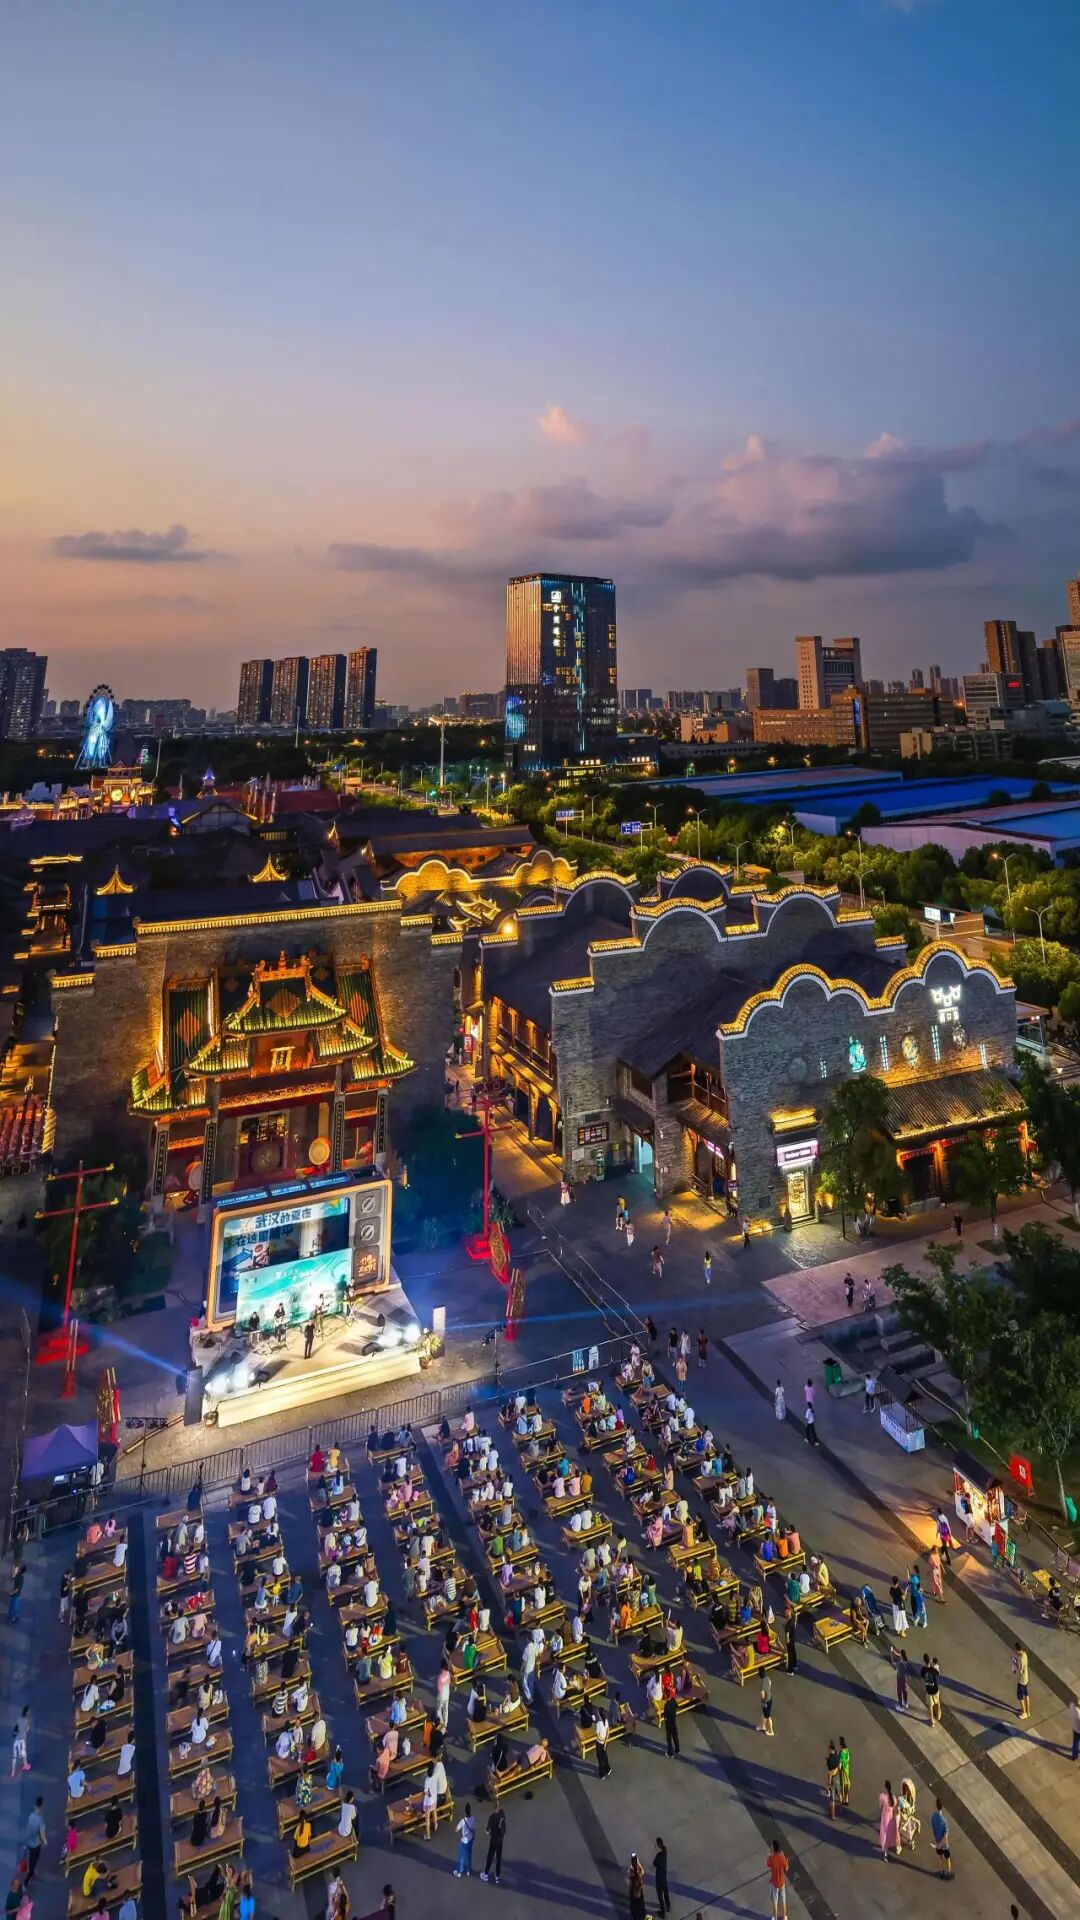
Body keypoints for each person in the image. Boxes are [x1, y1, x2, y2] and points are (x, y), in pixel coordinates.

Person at [481, 1805, 506, 1884]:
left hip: (493, 1841)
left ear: (493, 1808)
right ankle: (497, 1876)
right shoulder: (502, 1814)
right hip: (500, 1841)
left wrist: (489, 1833)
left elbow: (487, 1830)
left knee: (490, 1857)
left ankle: (486, 1874)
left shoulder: (492, 1817)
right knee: (499, 1858)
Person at [23, 1799, 46, 1884]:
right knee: (34, 1862)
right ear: (41, 1807)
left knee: (31, 1861)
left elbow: (28, 1830)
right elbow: (42, 1834)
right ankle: (26, 1881)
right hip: (36, 1845)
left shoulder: (31, 1816)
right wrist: (45, 1841)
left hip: (29, 1843)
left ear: (35, 1806)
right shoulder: (40, 1820)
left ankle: (31, 1872)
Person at [766, 1840, 789, 1918]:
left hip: (775, 1883)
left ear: (773, 1848)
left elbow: (768, 1864)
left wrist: (770, 1855)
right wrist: (786, 1860)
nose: (770, 1847)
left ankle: (775, 1918)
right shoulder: (781, 1857)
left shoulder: (772, 1858)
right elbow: (786, 1868)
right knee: (783, 1900)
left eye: (771, 1846)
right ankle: (784, 1917)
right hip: (782, 1882)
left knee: (775, 1902)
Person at [931, 1798, 953, 1879]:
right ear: (942, 1807)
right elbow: (945, 1835)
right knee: (947, 1858)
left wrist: (938, 1842)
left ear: (936, 1806)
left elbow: (933, 1828)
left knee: (941, 1858)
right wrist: (941, 1844)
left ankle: (942, 1871)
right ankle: (948, 1872)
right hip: (944, 1844)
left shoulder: (933, 1817)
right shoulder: (944, 1821)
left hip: (937, 1841)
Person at [454, 1801, 476, 1878]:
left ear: (465, 1811)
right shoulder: (473, 1819)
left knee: (461, 1857)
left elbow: (456, 1829)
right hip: (470, 1839)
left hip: (464, 1841)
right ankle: (468, 1870)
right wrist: (474, 1837)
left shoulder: (462, 1821)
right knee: (469, 1856)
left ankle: (459, 1871)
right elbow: (474, 1829)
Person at [879, 1781, 899, 1861]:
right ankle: (893, 1845)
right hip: (891, 1817)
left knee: (885, 1834)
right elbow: (895, 1808)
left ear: (885, 1788)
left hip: (885, 1817)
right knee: (891, 1833)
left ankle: (886, 1853)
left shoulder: (883, 1797)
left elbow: (881, 1806)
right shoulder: (893, 1798)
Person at [653, 1837, 670, 1917]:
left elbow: (654, 1863)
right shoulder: (665, 1851)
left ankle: (662, 1912)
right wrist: (658, 1849)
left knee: (660, 1895)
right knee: (666, 1891)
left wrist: (657, 1851)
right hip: (664, 1876)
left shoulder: (658, 1855)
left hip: (659, 1877)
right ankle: (668, 1905)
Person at [1013, 1641, 1031, 1719]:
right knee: (1026, 1693)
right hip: (1026, 1677)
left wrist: (1015, 1664)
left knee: (1020, 1695)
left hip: (1022, 1680)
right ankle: (1028, 1711)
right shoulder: (1024, 1654)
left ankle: (1024, 1712)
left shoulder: (1021, 1659)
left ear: (1018, 1650)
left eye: (1015, 1650)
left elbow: (1020, 1671)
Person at [922, 1653, 941, 1726]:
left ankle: (932, 1721)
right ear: (929, 1661)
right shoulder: (932, 1669)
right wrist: (932, 1665)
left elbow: (923, 1677)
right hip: (935, 1689)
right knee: (937, 1702)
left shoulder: (923, 1670)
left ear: (924, 1661)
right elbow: (938, 1673)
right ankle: (938, 1715)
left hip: (929, 1690)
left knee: (930, 1706)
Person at [627, 1853, 647, 1920]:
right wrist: (638, 1863)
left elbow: (628, 1874)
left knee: (634, 1905)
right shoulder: (639, 1873)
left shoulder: (631, 1872)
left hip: (633, 1891)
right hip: (638, 1891)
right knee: (640, 1906)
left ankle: (635, 1915)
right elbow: (642, 1871)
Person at [663, 1691, 679, 1758]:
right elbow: (677, 1706)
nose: (664, 1697)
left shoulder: (666, 1706)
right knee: (675, 1736)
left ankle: (670, 1753)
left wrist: (665, 1719)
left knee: (669, 1739)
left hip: (669, 1724)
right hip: (673, 1722)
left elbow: (665, 1716)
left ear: (667, 1697)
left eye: (664, 1696)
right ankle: (677, 1749)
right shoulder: (673, 1700)